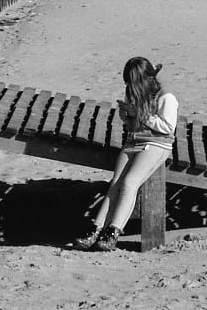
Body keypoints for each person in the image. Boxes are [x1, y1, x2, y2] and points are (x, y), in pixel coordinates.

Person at [74, 56, 178, 251]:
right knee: (115, 184)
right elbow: (132, 124)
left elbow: (167, 127)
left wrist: (141, 114)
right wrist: (127, 116)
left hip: (157, 144)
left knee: (130, 182)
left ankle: (113, 231)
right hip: (134, 140)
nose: (130, 87)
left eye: (133, 82)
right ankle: (96, 229)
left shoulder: (166, 97)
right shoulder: (133, 92)